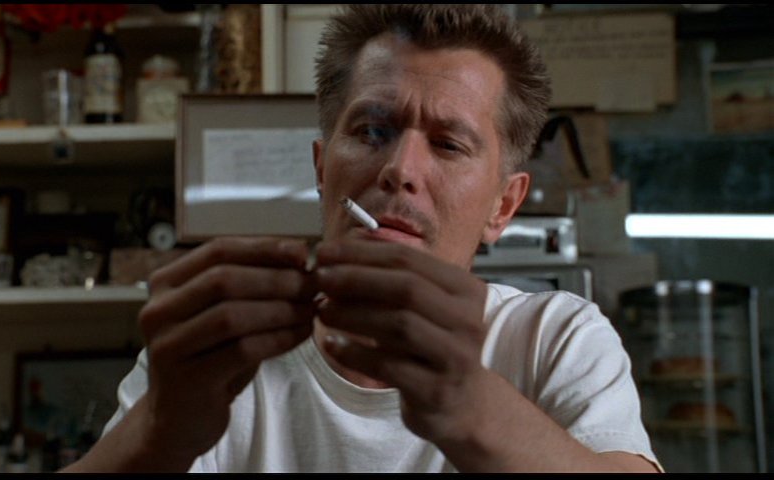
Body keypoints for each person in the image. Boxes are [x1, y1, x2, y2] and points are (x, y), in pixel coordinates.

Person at [64, 5, 661, 473]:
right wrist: (159, 431)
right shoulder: (220, 352)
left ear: (502, 206)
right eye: (373, 130)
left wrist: (472, 407)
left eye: (448, 144)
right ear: (323, 169)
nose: (400, 170)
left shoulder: (554, 339)